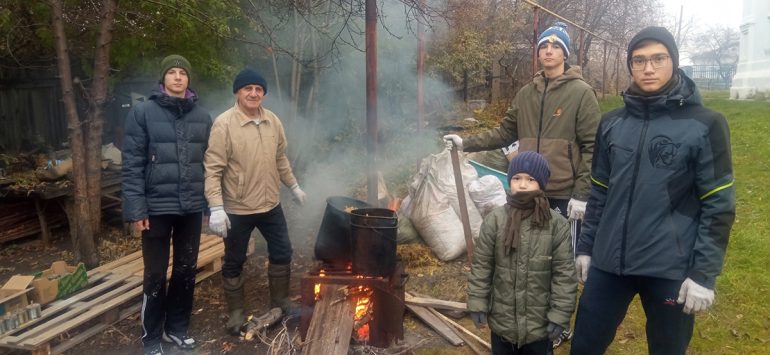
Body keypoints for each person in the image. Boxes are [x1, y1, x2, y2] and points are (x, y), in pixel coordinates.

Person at [570, 27, 736, 355]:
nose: (648, 68)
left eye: (658, 59)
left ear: (673, 62)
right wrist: (586, 246)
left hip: (669, 265)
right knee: (585, 345)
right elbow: (599, 190)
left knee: (667, 349)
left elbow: (719, 204)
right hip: (609, 262)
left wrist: (703, 274)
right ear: (630, 66)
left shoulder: (706, 123)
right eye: (639, 60)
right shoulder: (612, 123)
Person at [444, 21, 600, 252]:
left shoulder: (581, 93)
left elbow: (592, 147)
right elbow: (505, 132)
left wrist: (582, 194)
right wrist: (466, 143)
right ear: (538, 53)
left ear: (565, 54)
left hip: (563, 191)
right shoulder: (526, 93)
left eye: (556, 46)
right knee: (528, 253)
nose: (549, 50)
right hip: (527, 188)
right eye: (544, 45)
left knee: (562, 256)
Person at [204, 68, 307, 335]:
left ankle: (280, 302)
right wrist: (216, 207)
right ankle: (237, 314)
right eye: (247, 88)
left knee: (283, 251)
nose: (253, 93)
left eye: (258, 89)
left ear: (263, 94)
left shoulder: (273, 120)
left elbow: (280, 158)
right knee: (234, 260)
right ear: (238, 92)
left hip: (271, 204)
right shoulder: (224, 124)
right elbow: (213, 168)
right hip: (238, 208)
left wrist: (293, 186)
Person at [122, 54, 212, 355]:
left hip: (190, 207)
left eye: (182, 73)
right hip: (156, 209)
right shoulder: (142, 113)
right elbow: (132, 164)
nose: (177, 77)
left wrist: (210, 205)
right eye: (172, 72)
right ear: (163, 79)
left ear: (188, 79)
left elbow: (209, 165)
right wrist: (136, 209)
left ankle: (176, 329)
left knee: (186, 270)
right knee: (156, 274)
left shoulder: (202, 116)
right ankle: (151, 337)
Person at [467, 151, 577, 355]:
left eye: (531, 179)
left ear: (542, 184)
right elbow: (482, 266)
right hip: (503, 323)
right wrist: (477, 302)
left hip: (539, 326)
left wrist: (560, 313)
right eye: (517, 178)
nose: (523, 184)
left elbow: (564, 275)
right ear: (509, 180)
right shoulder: (495, 220)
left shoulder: (556, 225)